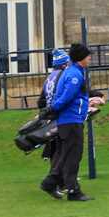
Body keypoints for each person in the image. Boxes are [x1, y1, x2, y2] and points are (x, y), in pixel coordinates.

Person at [47, 43, 100, 202]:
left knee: (66, 156)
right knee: (72, 156)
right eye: (87, 55)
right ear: (81, 58)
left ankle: (56, 184)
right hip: (71, 121)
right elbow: (67, 97)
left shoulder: (73, 72)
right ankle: (68, 189)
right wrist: (53, 108)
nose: (90, 58)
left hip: (69, 120)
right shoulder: (75, 75)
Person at [37, 48, 70, 199]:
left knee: (56, 151)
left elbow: (40, 101)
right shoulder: (63, 76)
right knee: (60, 152)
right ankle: (53, 184)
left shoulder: (49, 78)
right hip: (61, 117)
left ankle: (60, 182)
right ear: (64, 64)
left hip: (51, 118)